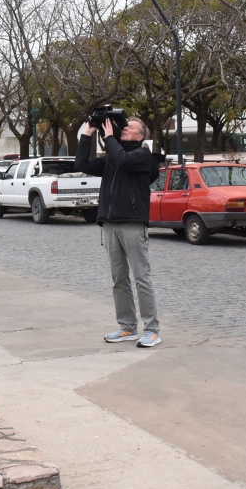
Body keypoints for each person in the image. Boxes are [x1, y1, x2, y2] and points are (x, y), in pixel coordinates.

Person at [74, 115, 161, 348]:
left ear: (140, 136)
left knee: (141, 277)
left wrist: (110, 137)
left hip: (132, 223)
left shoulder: (142, 156)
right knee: (118, 279)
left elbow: (124, 160)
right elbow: (81, 164)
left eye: (130, 127)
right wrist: (88, 133)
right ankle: (127, 326)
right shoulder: (113, 157)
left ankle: (152, 329)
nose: (124, 128)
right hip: (110, 224)